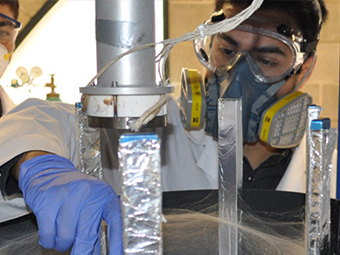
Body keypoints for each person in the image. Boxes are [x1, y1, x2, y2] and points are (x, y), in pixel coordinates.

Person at [0, 0, 336, 254]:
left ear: (304, 68)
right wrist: (36, 163)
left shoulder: (330, 163)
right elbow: (43, 121)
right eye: (227, 50)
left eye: (266, 60)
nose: (238, 74)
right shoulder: (154, 127)